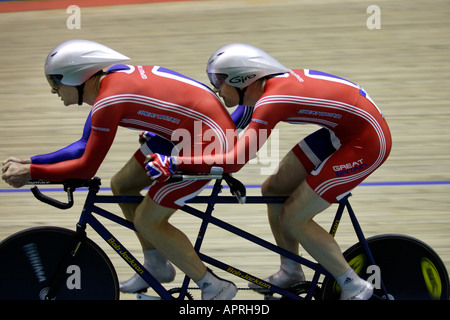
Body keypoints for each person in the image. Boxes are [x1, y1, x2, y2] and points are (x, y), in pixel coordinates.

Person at [1, 39, 245, 300]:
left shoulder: (108, 101)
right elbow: (83, 145)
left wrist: (33, 174)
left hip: (207, 143)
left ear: (75, 77)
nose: (54, 91)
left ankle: (214, 287)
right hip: (183, 132)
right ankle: (156, 265)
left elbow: (85, 168)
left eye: (55, 82)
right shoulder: (108, 84)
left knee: (147, 220)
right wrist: (31, 161)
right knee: (122, 186)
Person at [146, 43, 392, 300]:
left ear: (243, 80)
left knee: (294, 217)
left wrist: (175, 164)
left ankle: (354, 286)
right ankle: (291, 271)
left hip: (367, 142)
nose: (217, 88)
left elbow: (235, 160)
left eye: (219, 81)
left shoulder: (272, 100)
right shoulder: (262, 90)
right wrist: (171, 136)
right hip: (341, 131)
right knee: (272, 189)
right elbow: (228, 126)